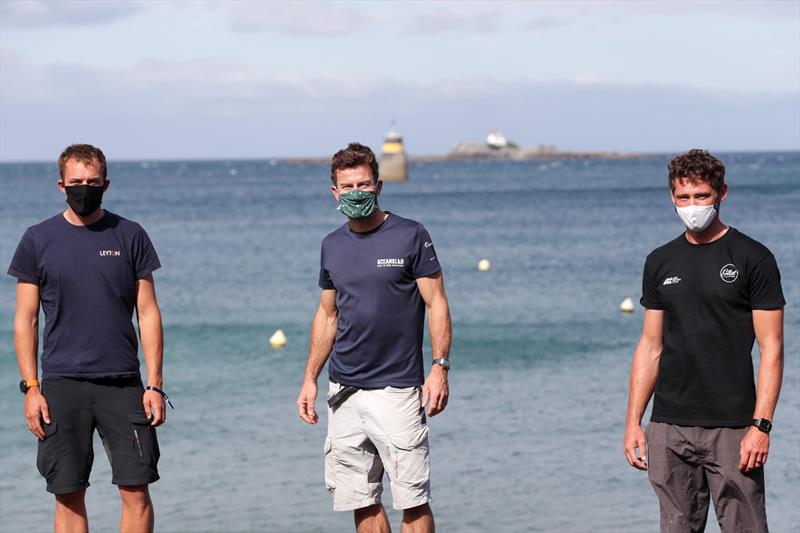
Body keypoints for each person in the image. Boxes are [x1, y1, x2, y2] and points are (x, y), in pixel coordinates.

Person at [8, 144, 170, 533]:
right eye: (77, 182)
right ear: (61, 185)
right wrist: (31, 388)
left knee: (136, 491)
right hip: (61, 385)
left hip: (123, 384)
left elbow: (147, 313)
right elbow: (25, 320)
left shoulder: (130, 235)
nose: (85, 188)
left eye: (92, 182)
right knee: (67, 493)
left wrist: (155, 385)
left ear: (106, 184)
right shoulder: (38, 239)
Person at [623, 149, 785, 533]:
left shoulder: (753, 258)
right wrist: (634, 422)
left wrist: (761, 426)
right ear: (672, 198)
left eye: (701, 196)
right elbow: (650, 345)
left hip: (733, 428)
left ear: (721, 193)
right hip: (669, 426)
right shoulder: (660, 261)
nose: (692, 206)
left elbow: (772, 349)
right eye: (684, 198)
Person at [296, 142, 452, 533]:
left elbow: (437, 303)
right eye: (347, 187)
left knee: (413, 500)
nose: (356, 194)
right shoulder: (332, 245)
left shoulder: (411, 235)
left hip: (397, 390)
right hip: (343, 391)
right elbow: (327, 314)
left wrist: (440, 367)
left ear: (378, 186)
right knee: (361, 500)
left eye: (363, 185)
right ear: (334, 192)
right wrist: (309, 379)